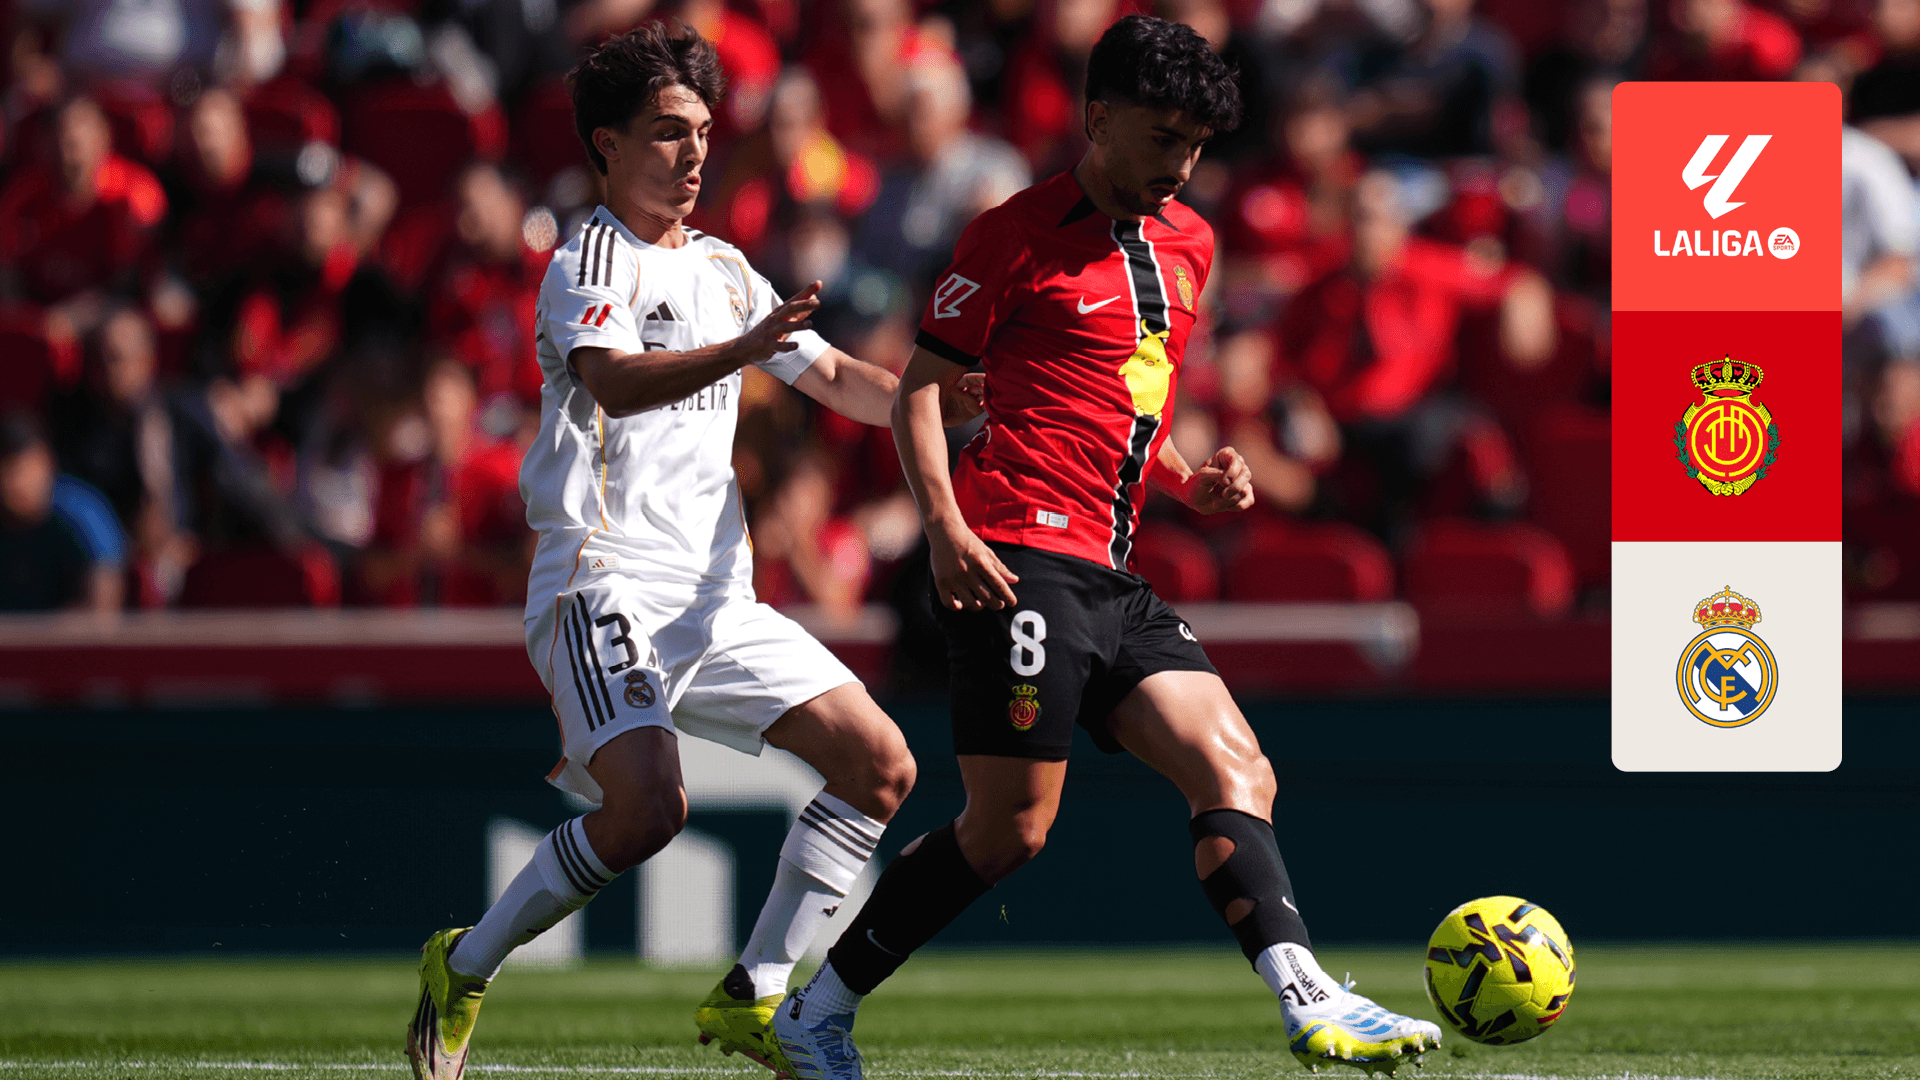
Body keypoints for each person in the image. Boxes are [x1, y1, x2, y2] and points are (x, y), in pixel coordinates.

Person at [773, 17, 1443, 1079]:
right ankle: (816, 1011)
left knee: (1235, 765)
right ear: (1097, 119)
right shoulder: (1011, 235)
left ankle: (1308, 996)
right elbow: (919, 394)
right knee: (1009, 831)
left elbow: (1128, 397)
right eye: (1161, 136)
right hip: (1015, 556)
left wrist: (1188, 479)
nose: (1179, 163)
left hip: (1112, 569)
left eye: (1196, 145)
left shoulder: (1192, 244)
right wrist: (944, 528)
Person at [403, 23, 981, 1080]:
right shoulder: (589, 258)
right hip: (602, 578)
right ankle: (466, 961)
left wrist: (940, 404)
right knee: (649, 810)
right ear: (608, 145)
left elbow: (835, 376)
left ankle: (754, 995)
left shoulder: (723, 267)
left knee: (881, 765)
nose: (695, 153)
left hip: (716, 598)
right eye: (670, 132)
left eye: (705, 132)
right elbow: (613, 381)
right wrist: (742, 351)